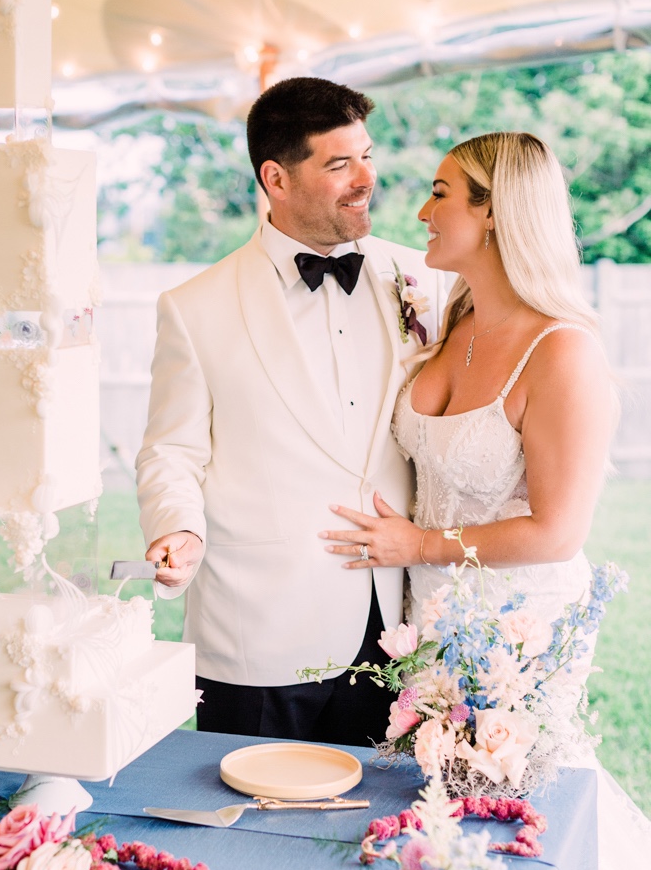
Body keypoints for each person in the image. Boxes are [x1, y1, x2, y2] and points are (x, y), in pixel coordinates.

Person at [320, 131, 651, 870]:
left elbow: (556, 531)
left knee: (512, 818)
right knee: (434, 815)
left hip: (518, 638)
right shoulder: (451, 320)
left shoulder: (563, 354)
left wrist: (417, 545)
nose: (418, 210)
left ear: (498, 211)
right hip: (429, 628)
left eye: (441, 194)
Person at [136, 77, 444, 744]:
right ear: (275, 177)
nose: (366, 178)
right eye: (339, 164)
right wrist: (179, 529)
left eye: (367, 155)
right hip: (257, 631)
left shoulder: (421, 280)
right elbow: (171, 451)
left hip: (390, 626)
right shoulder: (194, 308)